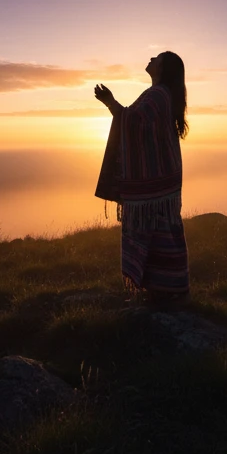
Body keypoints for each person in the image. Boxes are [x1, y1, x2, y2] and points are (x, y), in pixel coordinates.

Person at [94, 52, 189, 303]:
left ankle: (165, 291)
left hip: (155, 180)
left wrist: (110, 103)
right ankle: (168, 288)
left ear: (163, 67)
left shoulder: (158, 94)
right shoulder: (162, 94)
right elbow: (140, 122)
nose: (151, 57)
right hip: (164, 177)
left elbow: (134, 122)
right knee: (162, 231)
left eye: (157, 57)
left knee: (156, 231)